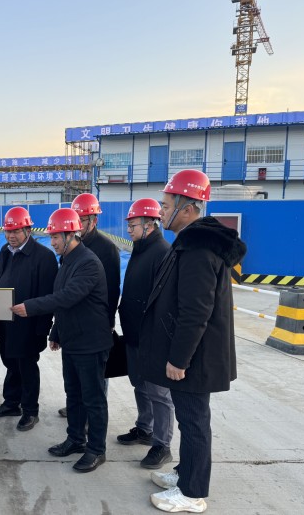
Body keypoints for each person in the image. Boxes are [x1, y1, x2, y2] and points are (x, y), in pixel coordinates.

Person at [140, 170, 246, 513]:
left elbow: (195, 311)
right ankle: (185, 473)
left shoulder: (199, 249)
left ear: (187, 209)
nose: (161, 211)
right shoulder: (189, 242)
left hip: (194, 358)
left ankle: (192, 493)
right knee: (190, 419)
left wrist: (179, 359)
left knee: (195, 421)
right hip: (192, 354)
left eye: (165, 205)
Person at [12, 208, 112, 473]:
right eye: (51, 236)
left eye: (56, 237)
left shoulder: (88, 263)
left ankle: (96, 449)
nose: (52, 242)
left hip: (91, 343)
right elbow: (65, 303)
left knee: (93, 399)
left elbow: (67, 296)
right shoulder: (67, 261)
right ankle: (75, 439)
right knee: (74, 394)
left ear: (70, 235)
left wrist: (31, 307)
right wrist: (56, 332)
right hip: (72, 340)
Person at [116, 199, 175, 470]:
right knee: (140, 384)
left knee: (159, 393)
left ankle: (162, 445)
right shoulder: (140, 250)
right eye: (128, 226)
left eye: (133, 226)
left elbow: (165, 302)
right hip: (134, 334)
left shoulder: (162, 252)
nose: (129, 230)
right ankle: (145, 428)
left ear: (149, 225)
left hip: (152, 338)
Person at [0, 206, 58, 432]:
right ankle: (11, 402)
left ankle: (30, 411)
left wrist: (42, 329)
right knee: (10, 363)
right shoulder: (5, 252)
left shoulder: (44, 257)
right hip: (6, 321)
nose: (11, 236)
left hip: (29, 325)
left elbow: (48, 296)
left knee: (27, 367)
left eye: (16, 231)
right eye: (8, 231)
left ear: (28, 230)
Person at [57, 192, 121, 418]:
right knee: (75, 375)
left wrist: (107, 323)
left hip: (95, 324)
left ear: (94, 221)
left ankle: (91, 418)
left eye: (82, 220)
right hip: (73, 321)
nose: (77, 224)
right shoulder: (71, 244)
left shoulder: (106, 248)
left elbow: (112, 290)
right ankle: (76, 408)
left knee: (96, 377)